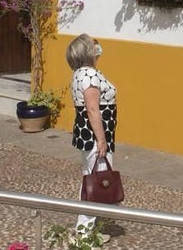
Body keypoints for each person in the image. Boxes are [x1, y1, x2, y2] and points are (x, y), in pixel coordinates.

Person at [66, 33, 118, 243]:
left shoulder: (82, 73)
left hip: (89, 135)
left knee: (90, 178)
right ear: (86, 51)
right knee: (95, 182)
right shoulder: (89, 74)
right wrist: (102, 140)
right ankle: (84, 234)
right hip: (95, 136)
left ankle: (86, 229)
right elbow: (93, 108)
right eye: (92, 45)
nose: (97, 46)